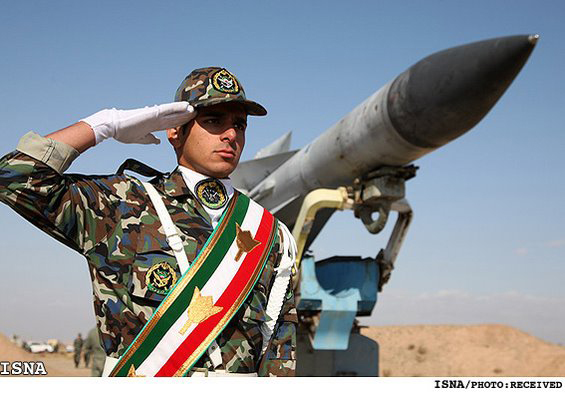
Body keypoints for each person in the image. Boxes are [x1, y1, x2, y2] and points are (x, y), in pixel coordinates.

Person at [0, 67, 297, 377]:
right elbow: (14, 177)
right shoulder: (124, 204)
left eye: (239, 124)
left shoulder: (271, 234)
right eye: (213, 120)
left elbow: (280, 346)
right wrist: (103, 125)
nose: (231, 135)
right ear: (175, 130)